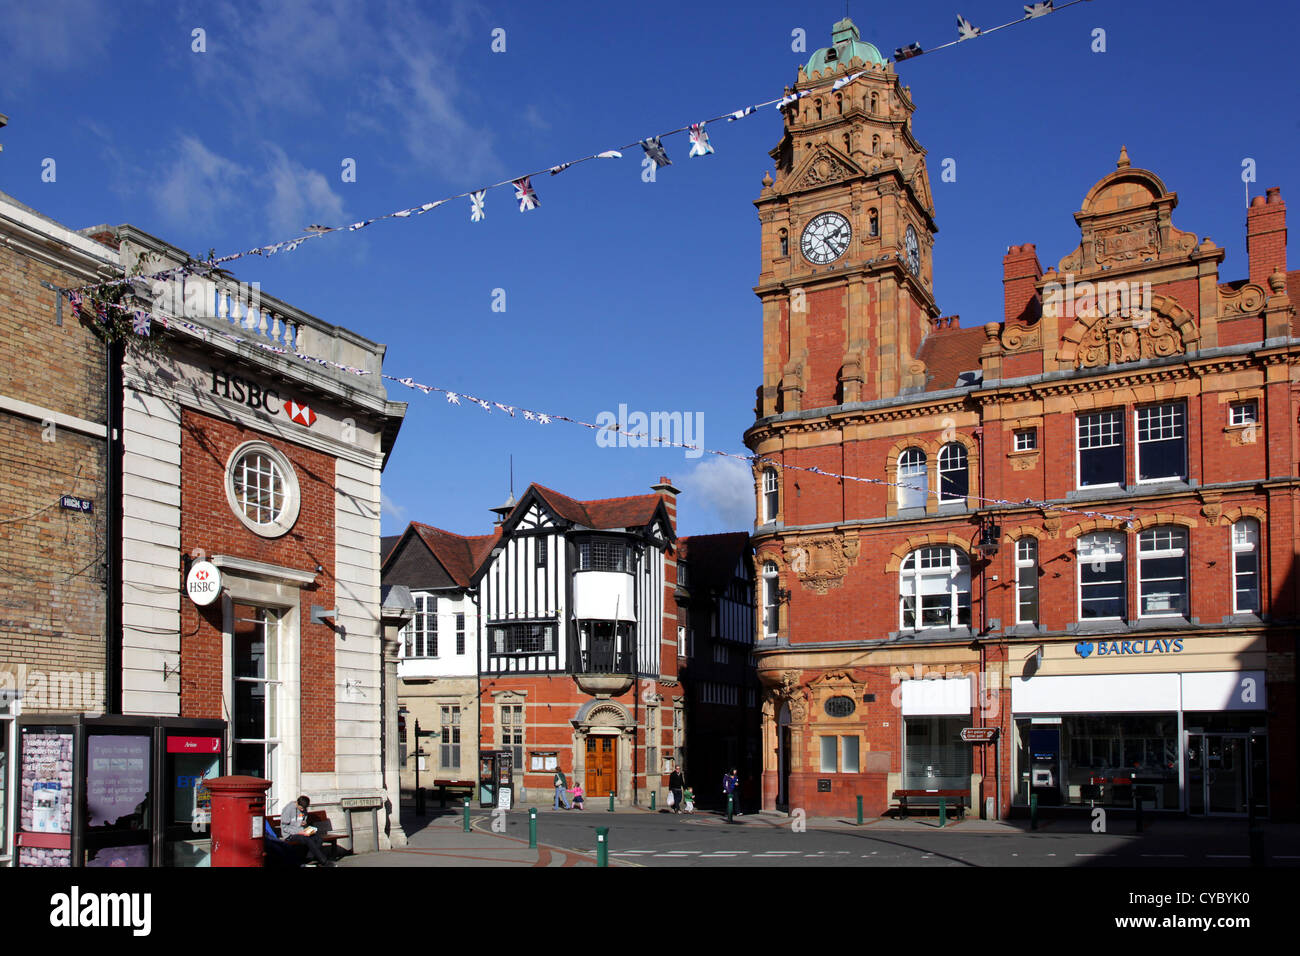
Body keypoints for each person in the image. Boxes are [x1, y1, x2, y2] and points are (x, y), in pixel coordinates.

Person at [281, 795, 332, 866]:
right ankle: (324, 861)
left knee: (318, 838)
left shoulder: (304, 809)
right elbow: (284, 828)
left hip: (302, 831)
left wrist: (304, 823)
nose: (302, 810)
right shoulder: (288, 809)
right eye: (301, 808)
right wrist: (299, 832)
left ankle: (308, 858)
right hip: (290, 835)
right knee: (307, 839)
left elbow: (303, 820)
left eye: (304, 808)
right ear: (297, 803)